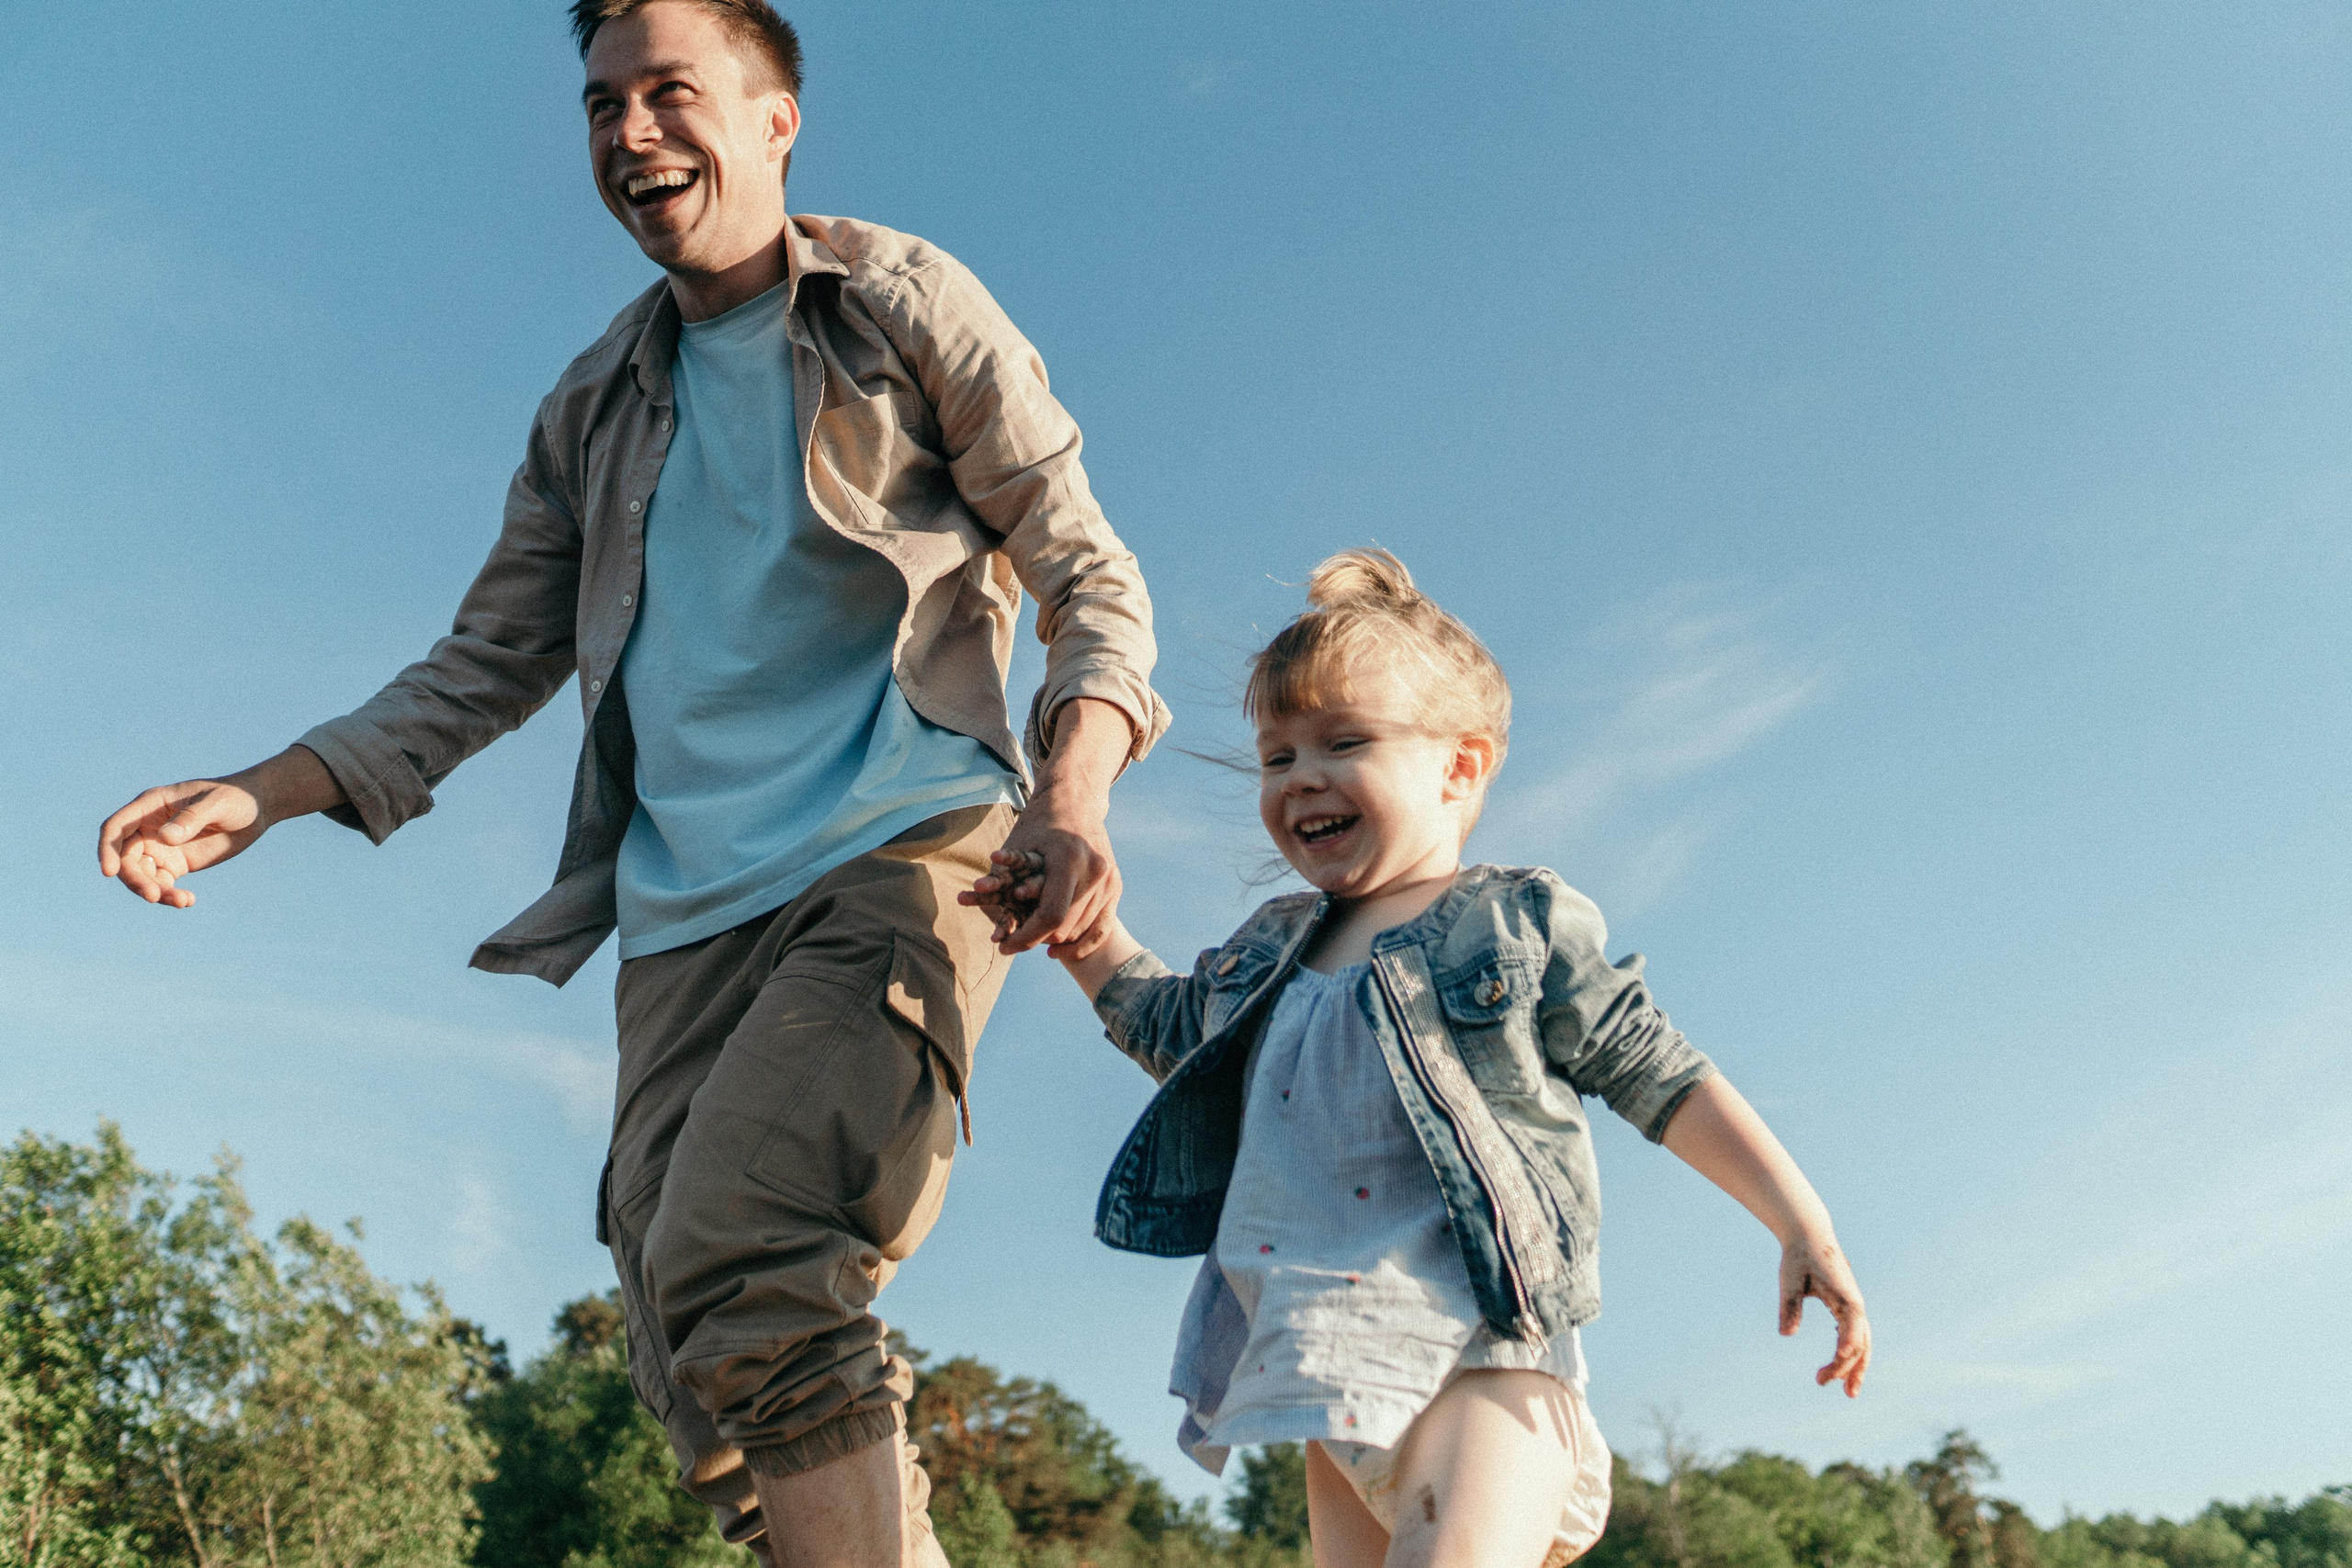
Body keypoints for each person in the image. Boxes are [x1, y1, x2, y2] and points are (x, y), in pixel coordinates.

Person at [94, 2, 1168, 1562]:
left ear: (778, 117)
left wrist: (1073, 795)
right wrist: (268, 788)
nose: (632, 133)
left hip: (900, 847)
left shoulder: (901, 304)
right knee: (691, 1350)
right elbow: (485, 660)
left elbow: (1087, 570)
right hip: (683, 921)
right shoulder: (594, 407)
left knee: (754, 1249)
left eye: (672, 92)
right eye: (604, 105)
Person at [965, 549, 1871, 1568]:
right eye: (1277, 757)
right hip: (1321, 1380)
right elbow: (1173, 1029)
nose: (1302, 777)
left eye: (1344, 742)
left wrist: (1803, 1223)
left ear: (1460, 767)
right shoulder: (1265, 956)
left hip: (1482, 1360)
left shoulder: (1506, 925)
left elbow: (1655, 1069)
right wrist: (1082, 933)